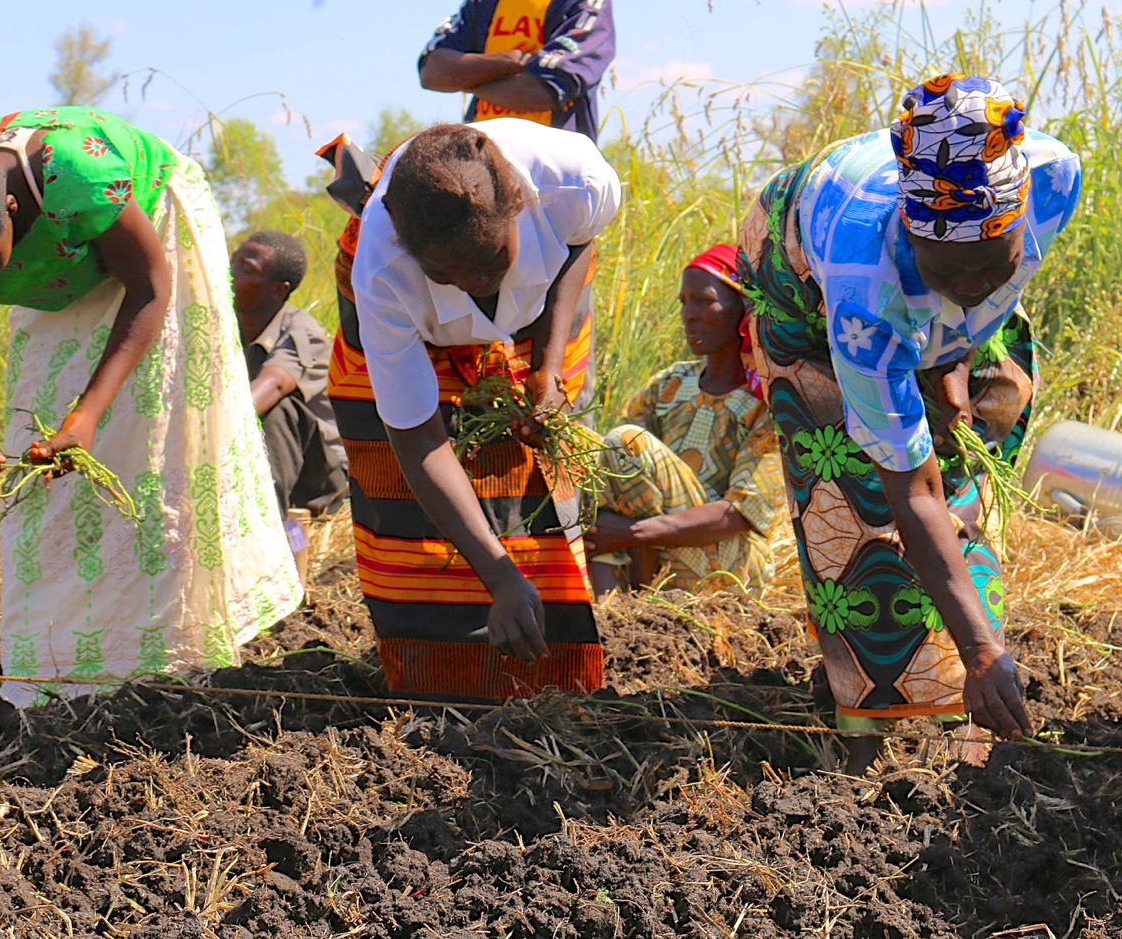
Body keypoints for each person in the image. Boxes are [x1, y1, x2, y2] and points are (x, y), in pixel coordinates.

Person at [0, 106, 302, 707]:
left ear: (11, 209)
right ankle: (68, 663)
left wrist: (85, 416)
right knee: (46, 476)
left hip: (152, 236)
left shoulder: (71, 171)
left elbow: (151, 287)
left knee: (159, 445)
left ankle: (178, 657)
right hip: (66, 270)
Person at [738, 75, 1081, 773]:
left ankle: (965, 708)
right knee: (852, 502)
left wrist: (952, 359)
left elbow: (980, 291)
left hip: (916, 315)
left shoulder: (1053, 181)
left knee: (975, 449)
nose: (973, 283)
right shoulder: (863, 292)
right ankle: (866, 731)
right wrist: (981, 651)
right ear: (910, 238)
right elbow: (911, 492)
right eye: (947, 269)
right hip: (799, 278)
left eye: (993, 261)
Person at [325, 120, 619, 698]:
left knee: (531, 472)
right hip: (415, 338)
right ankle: (436, 684)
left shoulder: (573, 181)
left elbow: (579, 247)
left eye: (488, 262)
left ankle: (553, 683)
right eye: (445, 275)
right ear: (412, 253)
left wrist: (547, 366)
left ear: (516, 209)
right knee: (404, 504)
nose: (470, 284)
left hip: (541, 314)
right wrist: (499, 577)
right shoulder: (381, 275)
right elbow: (417, 440)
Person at [585, 245, 786, 597]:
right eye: (684, 302)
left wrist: (630, 532)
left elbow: (742, 513)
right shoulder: (671, 384)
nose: (688, 315)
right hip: (662, 550)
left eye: (703, 300)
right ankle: (612, 614)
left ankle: (635, 600)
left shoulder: (768, 401)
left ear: (744, 308)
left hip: (732, 565)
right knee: (600, 458)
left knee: (627, 442)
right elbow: (611, 467)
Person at [232, 230, 347, 518]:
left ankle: (269, 527)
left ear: (277, 290)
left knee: (275, 410)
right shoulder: (222, 325)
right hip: (256, 457)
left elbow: (272, 386)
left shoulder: (300, 330)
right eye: (233, 261)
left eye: (246, 270)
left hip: (322, 483)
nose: (228, 273)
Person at [418, 0, 615, 142]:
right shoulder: (481, 4)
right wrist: (511, 60)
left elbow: (540, 91)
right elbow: (432, 72)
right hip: (480, 164)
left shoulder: (584, 4)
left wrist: (466, 80)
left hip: (554, 172)